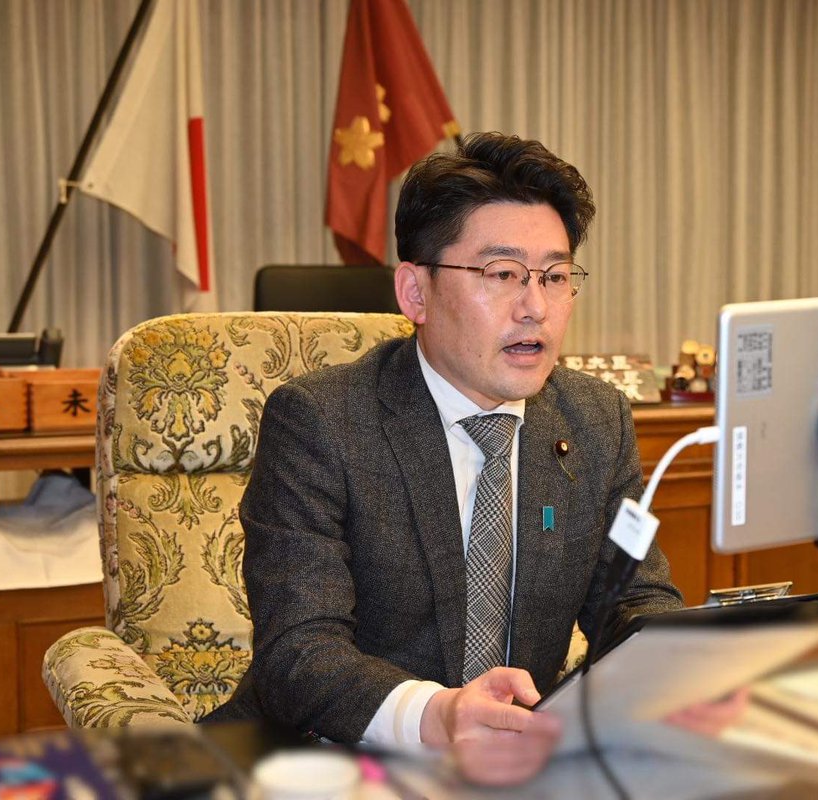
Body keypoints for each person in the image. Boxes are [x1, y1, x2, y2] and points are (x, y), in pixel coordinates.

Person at [207, 133, 684, 785]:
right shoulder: (321, 421)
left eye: (554, 277)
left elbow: (633, 599)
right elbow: (299, 653)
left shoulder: (595, 419)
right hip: (324, 755)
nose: (536, 307)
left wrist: (679, 672)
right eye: (502, 274)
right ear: (415, 293)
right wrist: (436, 715)